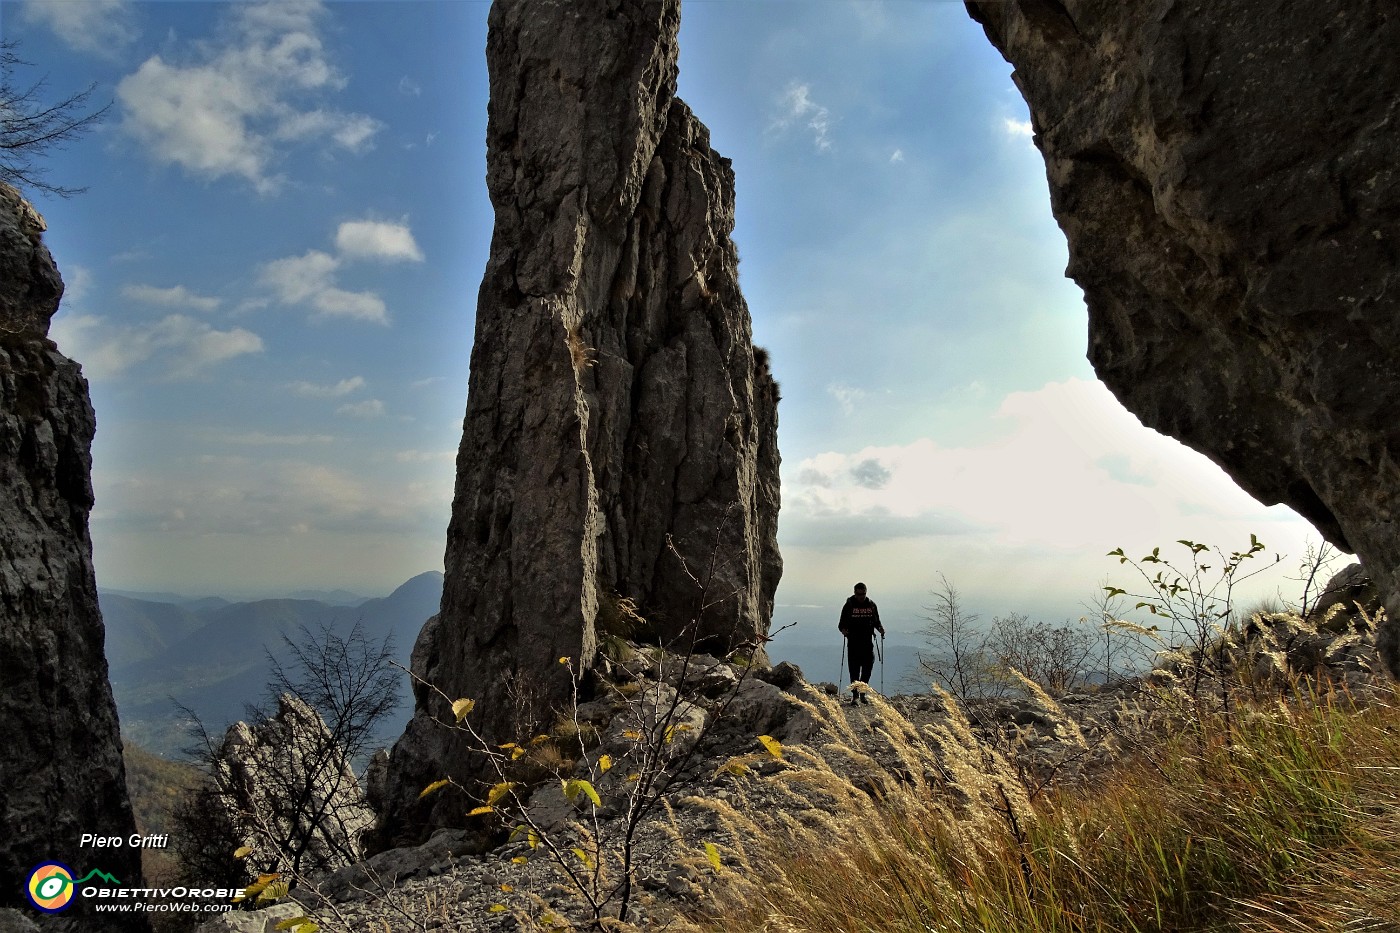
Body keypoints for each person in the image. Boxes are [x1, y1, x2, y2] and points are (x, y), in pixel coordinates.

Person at [838, 582, 885, 705]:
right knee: (854, 670)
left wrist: (880, 628)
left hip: (867, 642)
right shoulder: (848, 605)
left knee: (867, 669)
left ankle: (862, 693)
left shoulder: (871, 605)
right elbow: (841, 624)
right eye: (859, 594)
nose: (861, 597)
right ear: (855, 593)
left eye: (863, 594)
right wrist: (844, 630)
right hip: (853, 643)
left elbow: (876, 621)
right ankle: (855, 696)